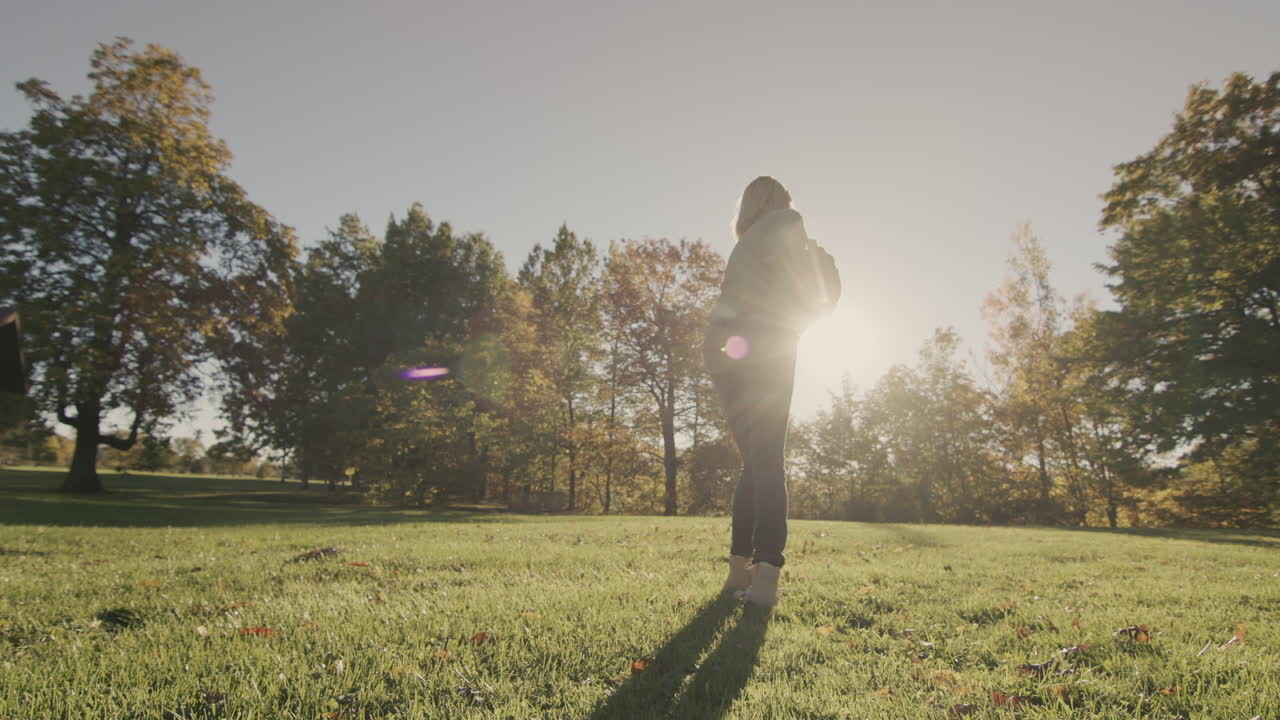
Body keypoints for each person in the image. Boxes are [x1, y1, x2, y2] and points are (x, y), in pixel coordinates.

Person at [703, 176, 840, 607]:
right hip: (768, 346)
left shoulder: (743, 246)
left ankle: (737, 573)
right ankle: (764, 582)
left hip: (723, 349)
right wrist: (821, 261)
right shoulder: (789, 226)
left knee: (753, 463)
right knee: (767, 462)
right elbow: (820, 297)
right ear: (782, 202)